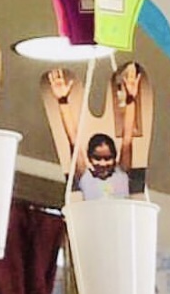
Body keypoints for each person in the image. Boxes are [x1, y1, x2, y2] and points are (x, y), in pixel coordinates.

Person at [48, 66, 138, 199]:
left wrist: (130, 99)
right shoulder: (86, 177)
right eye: (97, 158)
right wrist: (62, 101)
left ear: (115, 158)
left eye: (108, 158)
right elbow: (74, 141)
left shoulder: (122, 173)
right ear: (89, 159)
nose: (103, 164)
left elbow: (127, 141)